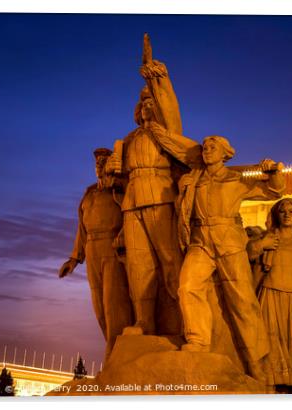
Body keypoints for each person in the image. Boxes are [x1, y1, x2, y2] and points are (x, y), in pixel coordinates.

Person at [175, 135, 285, 383]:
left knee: (243, 302)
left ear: (226, 153)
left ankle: (257, 362)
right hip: (200, 242)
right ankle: (198, 339)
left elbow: (273, 191)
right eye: (205, 147)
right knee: (188, 287)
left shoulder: (234, 180)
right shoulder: (192, 181)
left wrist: (273, 172)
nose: (207, 150)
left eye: (213, 147)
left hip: (230, 244)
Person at [105, 58, 200, 336]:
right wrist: (114, 173)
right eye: (143, 102)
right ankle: (144, 320)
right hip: (132, 203)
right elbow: (117, 181)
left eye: (151, 102)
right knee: (139, 264)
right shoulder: (129, 139)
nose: (147, 106)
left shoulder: (166, 133)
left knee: (170, 260)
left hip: (161, 198)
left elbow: (170, 103)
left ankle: (185, 320)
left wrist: (159, 78)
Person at [59, 148, 133, 362]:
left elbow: (131, 215)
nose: (100, 166)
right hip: (92, 248)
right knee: (99, 305)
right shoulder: (89, 193)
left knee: (114, 302)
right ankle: (111, 345)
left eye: (104, 162)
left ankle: (117, 351)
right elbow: (81, 229)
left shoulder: (120, 189)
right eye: (97, 163)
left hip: (113, 247)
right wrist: (74, 258)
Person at [250, 198, 292, 393]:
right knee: (270, 343)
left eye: (291, 211)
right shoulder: (268, 238)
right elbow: (245, 256)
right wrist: (261, 246)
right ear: (276, 215)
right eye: (283, 211)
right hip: (270, 296)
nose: (287, 214)